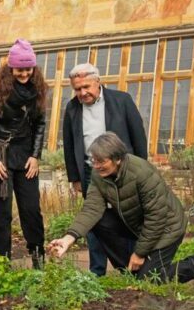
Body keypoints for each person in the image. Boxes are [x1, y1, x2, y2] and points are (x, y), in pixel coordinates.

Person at [49, 132, 194, 284]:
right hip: (138, 225)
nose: (97, 165)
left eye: (101, 161)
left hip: (167, 227)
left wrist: (139, 254)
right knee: (100, 220)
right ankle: (133, 271)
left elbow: (156, 218)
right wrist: (68, 239)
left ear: (118, 159)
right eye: (94, 160)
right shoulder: (99, 175)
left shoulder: (142, 172)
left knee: (149, 279)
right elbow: (91, 209)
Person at [62, 63, 148, 276]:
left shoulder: (122, 100)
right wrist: (75, 176)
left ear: (98, 81)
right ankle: (96, 270)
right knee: (94, 219)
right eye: (77, 89)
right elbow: (69, 144)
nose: (83, 93)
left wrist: (141, 169)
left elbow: (138, 136)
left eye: (86, 87)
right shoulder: (72, 108)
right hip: (92, 173)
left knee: (128, 217)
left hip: (123, 170)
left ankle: (134, 268)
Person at [0, 38, 48, 268]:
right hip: (1, 154)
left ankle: (38, 259)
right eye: (20, 69)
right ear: (11, 67)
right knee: (1, 214)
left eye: (28, 68)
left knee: (31, 210)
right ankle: (2, 263)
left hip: (26, 157)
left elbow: (40, 124)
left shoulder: (37, 88)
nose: (24, 73)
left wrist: (35, 155)